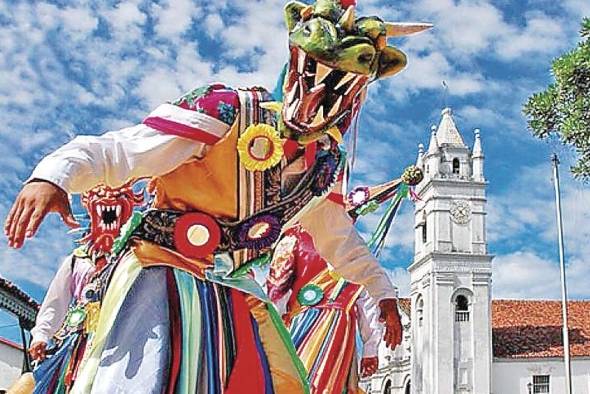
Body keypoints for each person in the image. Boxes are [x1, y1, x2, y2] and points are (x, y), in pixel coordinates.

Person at [4, 1, 430, 391]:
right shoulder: (227, 110)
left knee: (284, 382)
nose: (318, 94)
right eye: (312, 71)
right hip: (160, 265)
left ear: (356, 95)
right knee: (141, 372)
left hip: (234, 285)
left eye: (339, 83)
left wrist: (382, 292)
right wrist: (54, 175)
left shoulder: (324, 166)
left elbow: (339, 239)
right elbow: (125, 150)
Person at [28, 182, 143, 393]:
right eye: (102, 193)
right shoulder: (76, 260)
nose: (109, 197)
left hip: (121, 339)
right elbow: (56, 301)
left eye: (118, 195)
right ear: (90, 208)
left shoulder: (136, 257)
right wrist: (42, 335)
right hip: (78, 342)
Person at [267, 225, 381, 393]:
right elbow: (367, 301)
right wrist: (370, 348)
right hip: (339, 330)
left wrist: (271, 333)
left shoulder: (293, 238)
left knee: (296, 381)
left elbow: (276, 290)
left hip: (305, 324)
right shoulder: (354, 245)